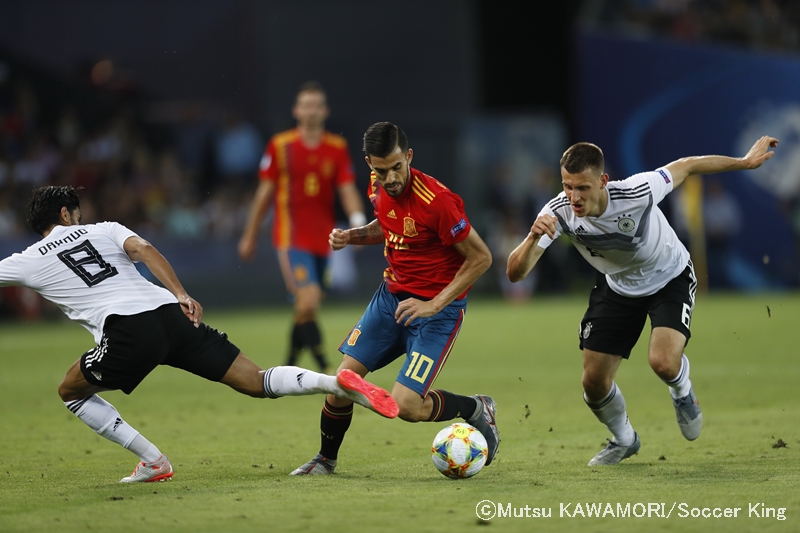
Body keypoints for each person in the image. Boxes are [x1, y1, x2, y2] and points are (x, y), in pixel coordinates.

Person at [0, 186, 398, 483]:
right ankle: (337, 383)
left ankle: (153, 461)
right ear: (67, 214)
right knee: (256, 381)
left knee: (70, 390)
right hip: (171, 315)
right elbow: (145, 249)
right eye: (77, 213)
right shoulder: (104, 229)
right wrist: (181, 294)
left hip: (127, 331)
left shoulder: (27, 260)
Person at [506, 136, 778, 466]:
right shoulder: (558, 213)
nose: (574, 197)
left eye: (582, 188)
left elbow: (687, 165)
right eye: (567, 186)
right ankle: (624, 440)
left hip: (669, 277)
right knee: (593, 384)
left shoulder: (638, 191)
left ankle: (682, 391)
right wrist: (533, 237)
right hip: (616, 286)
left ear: (603, 181)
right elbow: (515, 275)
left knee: (662, 362)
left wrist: (743, 161)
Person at [290, 122, 499, 476]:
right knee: (341, 384)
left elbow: (481, 258)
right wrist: (352, 236)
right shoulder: (377, 185)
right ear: (370, 164)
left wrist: (434, 304)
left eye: (396, 167)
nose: (389, 178)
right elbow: (389, 226)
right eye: (380, 170)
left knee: (406, 406)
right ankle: (326, 460)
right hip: (390, 302)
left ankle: (477, 408)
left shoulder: (437, 201)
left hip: (436, 314)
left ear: (409, 157)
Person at [238, 81, 366, 374]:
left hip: (325, 238)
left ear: (325, 111)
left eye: (316, 105)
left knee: (307, 306)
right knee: (307, 300)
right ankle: (322, 362)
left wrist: (357, 221)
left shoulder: (336, 148)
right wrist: (250, 234)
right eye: (305, 105)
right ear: (296, 110)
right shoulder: (281, 146)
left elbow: (346, 189)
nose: (311, 111)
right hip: (291, 236)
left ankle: (290, 363)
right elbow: (264, 193)